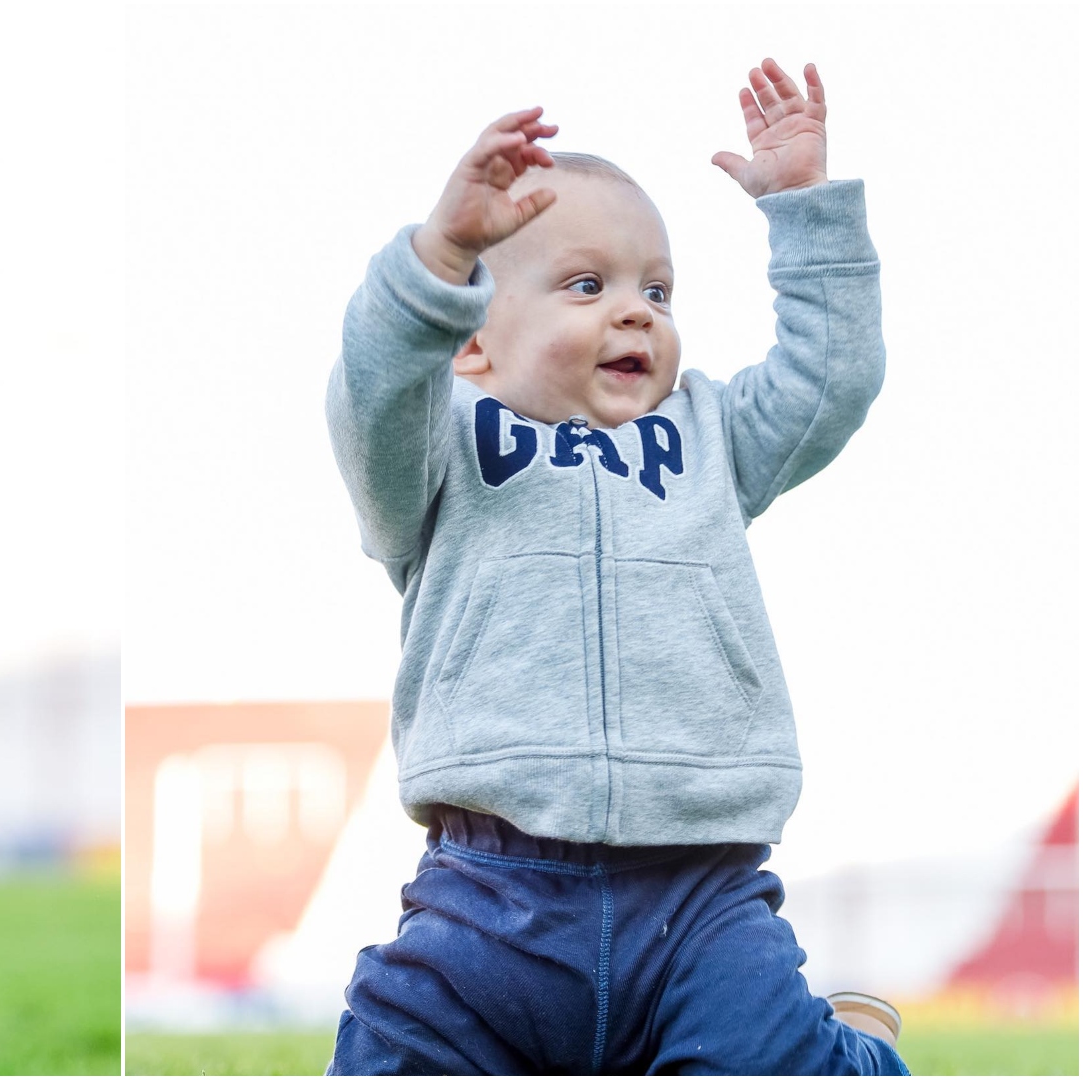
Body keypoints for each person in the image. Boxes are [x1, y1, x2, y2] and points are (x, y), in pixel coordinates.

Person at [323, 59, 907, 1073]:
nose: (637, 311)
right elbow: (375, 391)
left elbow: (833, 381)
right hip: (486, 901)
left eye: (658, 290)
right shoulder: (436, 449)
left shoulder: (714, 436)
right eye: (587, 286)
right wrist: (439, 257)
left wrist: (805, 211)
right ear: (471, 345)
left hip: (699, 897)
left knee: (757, 1059)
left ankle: (848, 1047)